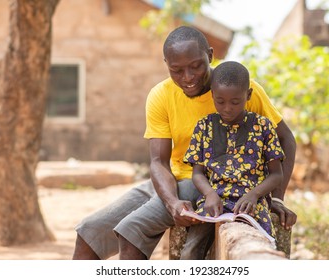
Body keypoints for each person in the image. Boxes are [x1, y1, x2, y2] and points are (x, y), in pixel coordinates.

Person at [72, 25, 297, 260]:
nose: (187, 78)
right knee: (89, 232)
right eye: (176, 70)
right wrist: (172, 203)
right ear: (166, 64)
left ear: (210, 56)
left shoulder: (237, 91)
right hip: (169, 182)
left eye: (196, 66)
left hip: (206, 184)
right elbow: (158, 162)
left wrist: (277, 198)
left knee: (131, 230)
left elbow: (286, 140)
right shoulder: (161, 95)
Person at [181, 61, 284, 258]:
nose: (227, 108)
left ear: (248, 95)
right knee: (190, 251)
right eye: (220, 101)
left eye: (235, 102)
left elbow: (276, 174)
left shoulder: (263, 127)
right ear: (212, 95)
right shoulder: (204, 126)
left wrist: (254, 195)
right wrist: (209, 194)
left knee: (259, 246)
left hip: (251, 204)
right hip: (214, 203)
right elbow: (198, 173)